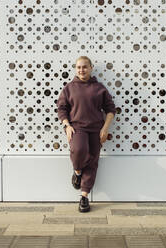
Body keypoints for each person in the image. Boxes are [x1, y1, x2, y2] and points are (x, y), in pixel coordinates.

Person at [56, 56, 116, 212]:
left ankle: (84, 196)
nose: (81, 70)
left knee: (92, 162)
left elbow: (110, 109)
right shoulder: (69, 88)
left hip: (96, 129)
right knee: (79, 149)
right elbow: (62, 109)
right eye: (78, 67)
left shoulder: (99, 88)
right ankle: (77, 171)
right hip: (77, 128)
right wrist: (67, 126)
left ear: (91, 68)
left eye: (84, 67)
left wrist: (105, 128)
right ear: (75, 69)